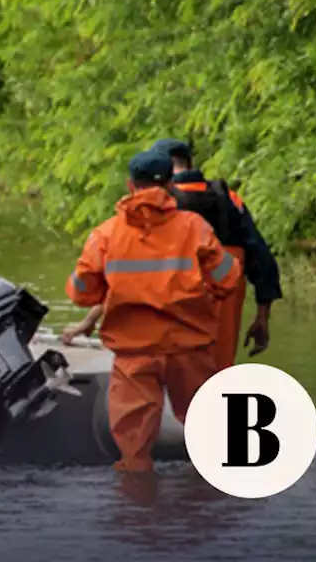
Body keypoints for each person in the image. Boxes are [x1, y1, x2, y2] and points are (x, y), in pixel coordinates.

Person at [65, 150, 242, 473]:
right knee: (212, 437)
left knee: (133, 453)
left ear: (130, 184)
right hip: (188, 347)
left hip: (135, 352)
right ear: (172, 184)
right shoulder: (195, 228)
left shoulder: (106, 234)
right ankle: (219, 506)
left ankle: (141, 512)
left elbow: (80, 291)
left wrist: (108, 292)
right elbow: (228, 279)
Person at [62, 139, 281, 370]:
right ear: (190, 163)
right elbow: (261, 257)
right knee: (214, 370)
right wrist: (262, 317)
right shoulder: (228, 198)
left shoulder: (158, 209)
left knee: (162, 365)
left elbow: (130, 275)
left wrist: (89, 321)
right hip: (225, 297)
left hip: (178, 303)